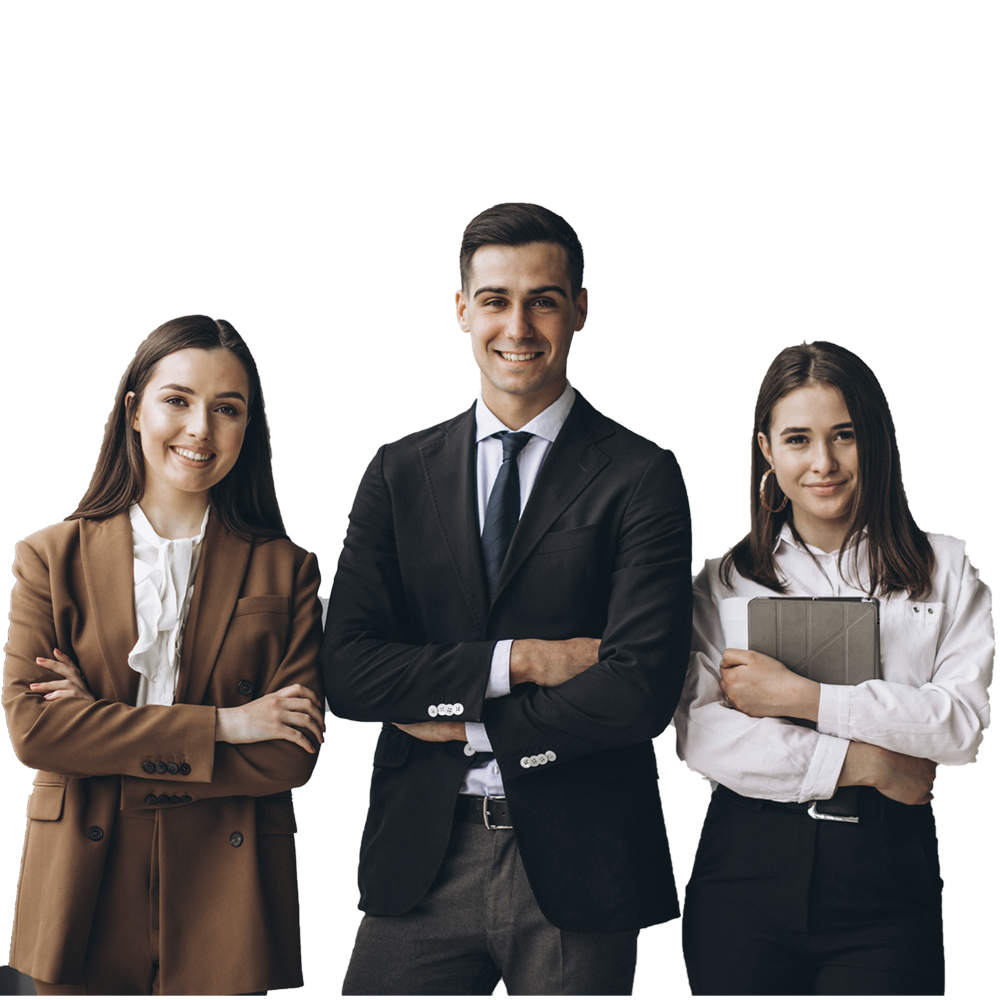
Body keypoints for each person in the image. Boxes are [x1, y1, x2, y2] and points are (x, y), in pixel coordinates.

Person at [322, 203, 693, 995]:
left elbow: (640, 689)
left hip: (580, 860)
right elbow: (350, 671)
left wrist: (462, 716)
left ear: (579, 309)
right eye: (495, 300)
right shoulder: (397, 473)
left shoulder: (642, 476)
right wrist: (520, 661)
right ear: (463, 310)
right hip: (422, 854)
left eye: (543, 300)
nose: (517, 326)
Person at [2, 315, 326, 996]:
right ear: (134, 411)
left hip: (227, 883)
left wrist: (99, 730)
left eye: (227, 409)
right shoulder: (50, 559)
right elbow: (37, 733)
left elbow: (289, 754)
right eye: (178, 400)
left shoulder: (287, 570)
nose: (200, 428)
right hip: (81, 876)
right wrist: (226, 725)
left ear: (247, 427)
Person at [675, 340, 994, 995]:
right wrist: (868, 763)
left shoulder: (946, 568)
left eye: (844, 435)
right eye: (798, 439)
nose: (823, 462)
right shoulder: (725, 581)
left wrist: (804, 698)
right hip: (745, 869)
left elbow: (967, 725)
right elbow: (702, 737)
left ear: (875, 441)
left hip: (887, 874)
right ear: (767, 451)